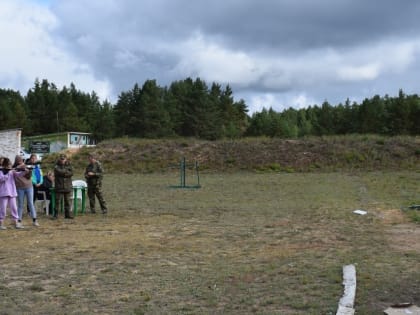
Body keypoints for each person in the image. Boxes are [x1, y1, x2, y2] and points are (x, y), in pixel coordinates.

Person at [0, 158, 30, 229]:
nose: (10, 166)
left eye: (10, 164)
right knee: (3, 209)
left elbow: (18, 175)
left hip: (12, 192)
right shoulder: (1, 171)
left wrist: (25, 172)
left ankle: (16, 223)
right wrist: (8, 173)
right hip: (3, 192)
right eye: (8, 164)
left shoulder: (11, 171)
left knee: (14, 208)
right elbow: (2, 179)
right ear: (5, 165)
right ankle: (1, 223)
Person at [13, 155, 39, 227]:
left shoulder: (26, 166)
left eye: (21, 160)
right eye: (18, 160)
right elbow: (15, 175)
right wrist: (19, 169)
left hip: (29, 187)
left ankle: (34, 219)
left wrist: (29, 171)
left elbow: (29, 176)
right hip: (19, 188)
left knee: (30, 203)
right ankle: (19, 220)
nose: (20, 161)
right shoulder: (14, 168)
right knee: (20, 204)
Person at [53, 154, 73, 219]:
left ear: (66, 159)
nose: (62, 160)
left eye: (63, 159)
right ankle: (55, 215)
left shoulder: (69, 165)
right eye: (61, 159)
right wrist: (66, 172)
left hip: (67, 186)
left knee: (67, 202)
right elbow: (58, 171)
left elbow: (71, 173)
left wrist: (63, 173)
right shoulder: (56, 166)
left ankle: (67, 215)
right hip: (59, 186)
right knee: (57, 202)